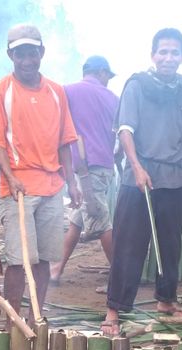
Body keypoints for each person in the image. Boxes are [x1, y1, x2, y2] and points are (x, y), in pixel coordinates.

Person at [102, 28, 182, 336]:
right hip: (138, 180)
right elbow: (125, 130)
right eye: (163, 52)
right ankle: (114, 309)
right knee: (128, 245)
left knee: (169, 245)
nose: (169, 58)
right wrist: (137, 167)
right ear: (152, 55)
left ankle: (166, 301)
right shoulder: (137, 86)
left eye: (175, 52)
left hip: (174, 179)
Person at [0, 24, 81, 324]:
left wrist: (71, 183)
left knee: (45, 258)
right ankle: (12, 319)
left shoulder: (56, 92)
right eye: (20, 53)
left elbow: (65, 141)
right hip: (18, 188)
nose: (26, 60)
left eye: (32, 53)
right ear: (10, 54)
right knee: (18, 259)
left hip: (52, 188)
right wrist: (10, 177)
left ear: (42, 53)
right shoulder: (1, 91)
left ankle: (36, 314)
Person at [50, 55, 120, 284]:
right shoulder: (113, 98)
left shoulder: (66, 91)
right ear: (101, 72)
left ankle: (121, 277)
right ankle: (57, 268)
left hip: (85, 168)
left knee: (100, 220)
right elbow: (120, 134)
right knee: (77, 220)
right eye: (108, 76)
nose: (108, 80)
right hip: (100, 167)